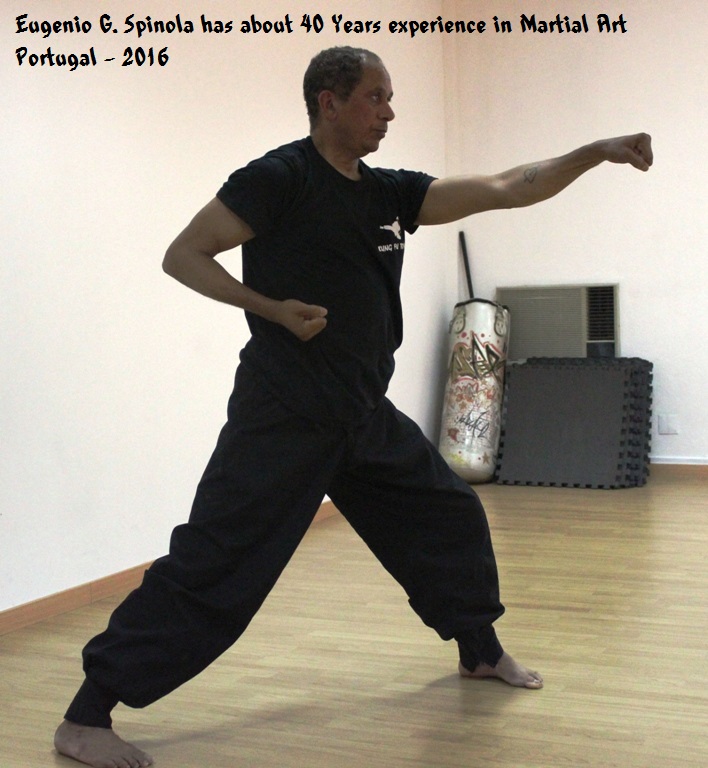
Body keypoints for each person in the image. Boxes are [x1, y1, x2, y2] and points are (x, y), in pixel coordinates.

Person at [54, 46, 653, 768]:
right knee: (217, 563)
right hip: (284, 415)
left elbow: (507, 186)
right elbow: (184, 255)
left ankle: (479, 651)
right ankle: (86, 716)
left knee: (448, 515)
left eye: (390, 97)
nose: (389, 112)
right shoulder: (278, 179)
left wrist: (594, 152)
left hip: (361, 410)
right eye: (376, 97)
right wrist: (269, 307)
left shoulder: (389, 193)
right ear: (328, 102)